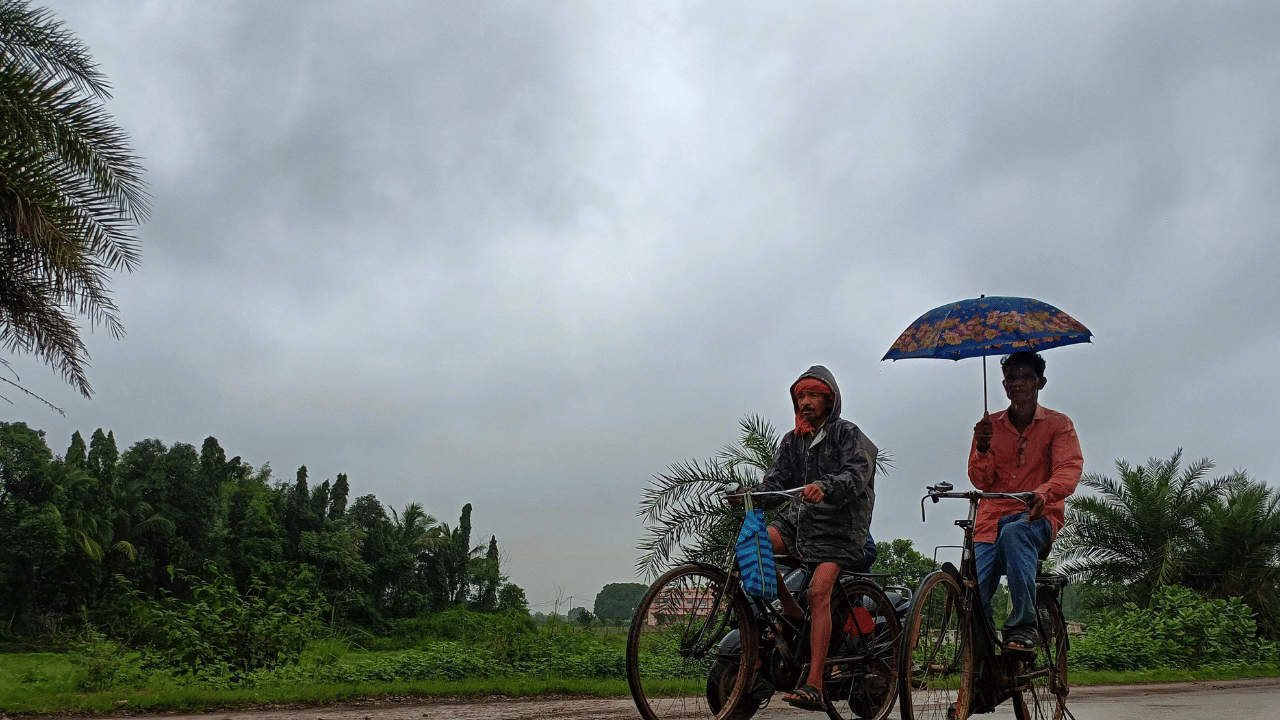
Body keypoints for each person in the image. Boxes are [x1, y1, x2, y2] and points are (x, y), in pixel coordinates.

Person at [739, 365, 878, 711]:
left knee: (819, 592)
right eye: (800, 395)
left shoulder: (848, 434)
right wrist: (750, 495)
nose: (805, 402)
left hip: (839, 527)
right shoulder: (792, 440)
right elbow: (775, 485)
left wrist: (826, 487)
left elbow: (858, 474)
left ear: (830, 400)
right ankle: (789, 608)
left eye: (813, 395)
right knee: (753, 543)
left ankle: (815, 683)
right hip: (797, 522)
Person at [969, 351, 1082, 652]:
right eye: (1011, 378)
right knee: (972, 595)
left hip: (1035, 516)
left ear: (1040, 383)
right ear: (1004, 385)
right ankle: (980, 678)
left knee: (1015, 532)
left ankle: (1022, 627)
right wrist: (982, 446)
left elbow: (1069, 469)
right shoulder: (988, 426)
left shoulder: (1059, 424)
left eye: (1026, 377)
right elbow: (980, 481)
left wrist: (1044, 493)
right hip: (989, 522)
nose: (1017, 383)